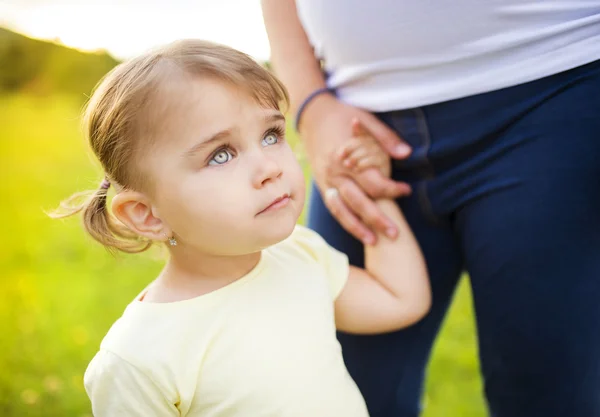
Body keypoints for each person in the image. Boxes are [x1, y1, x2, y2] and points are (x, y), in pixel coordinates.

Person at [52, 39, 430, 416]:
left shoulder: (300, 254)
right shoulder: (138, 359)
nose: (270, 168)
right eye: (220, 155)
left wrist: (373, 188)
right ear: (147, 214)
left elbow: (399, 300)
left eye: (271, 136)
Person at [261, 1, 600, 416]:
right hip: (354, 130)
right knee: (334, 394)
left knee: (549, 393)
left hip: (552, 93)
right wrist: (311, 107)